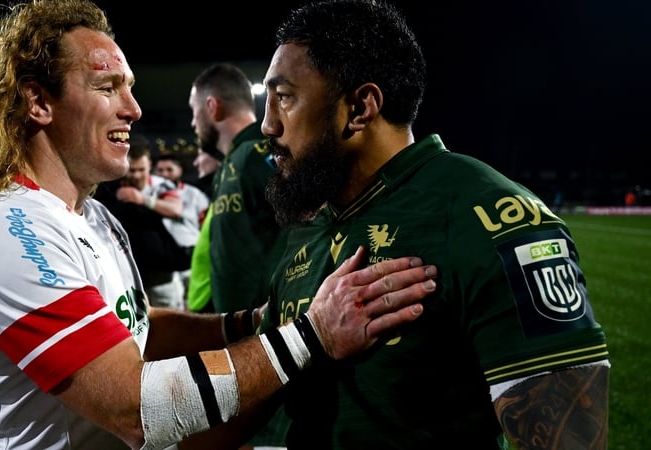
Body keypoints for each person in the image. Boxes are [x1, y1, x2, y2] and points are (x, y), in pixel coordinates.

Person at [0, 1, 437, 449]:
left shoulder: (91, 215)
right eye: (108, 87)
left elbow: (137, 329)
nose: (134, 108)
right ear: (38, 102)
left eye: (130, 88)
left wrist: (250, 322)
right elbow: (133, 408)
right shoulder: (2, 229)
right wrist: (311, 333)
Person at [250, 0, 610, 448]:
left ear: (361, 108)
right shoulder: (309, 226)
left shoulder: (490, 216)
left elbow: (569, 439)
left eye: (284, 97)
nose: (266, 124)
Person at [187, 62, 290, 448]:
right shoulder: (233, 163)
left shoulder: (258, 156)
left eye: (194, 110)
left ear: (212, 108)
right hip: (242, 343)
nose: (194, 123)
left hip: (267, 346)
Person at [94, 137, 189, 310]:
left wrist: (142, 199)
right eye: (132, 170)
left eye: (141, 170)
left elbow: (175, 209)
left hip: (163, 275)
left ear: (150, 166)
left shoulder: (161, 186)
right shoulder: (112, 188)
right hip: (129, 277)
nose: (136, 175)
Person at [154, 151, 210, 302]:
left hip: (191, 255)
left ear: (180, 170)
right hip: (165, 260)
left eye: (169, 169)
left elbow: (205, 226)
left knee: (195, 303)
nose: (164, 174)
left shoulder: (194, 194)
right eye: (160, 170)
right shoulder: (149, 194)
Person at [186, 146, 222, 313]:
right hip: (201, 298)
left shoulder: (227, 202)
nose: (195, 162)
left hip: (213, 300)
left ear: (217, 159)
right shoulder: (218, 198)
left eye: (200, 155)